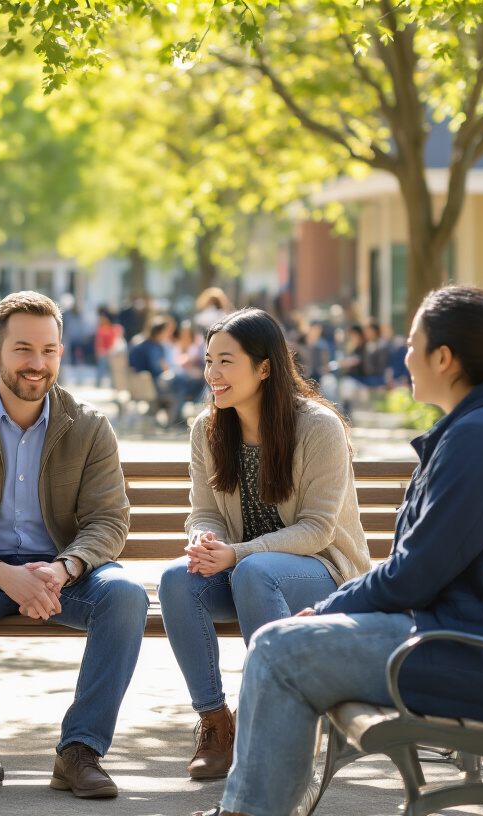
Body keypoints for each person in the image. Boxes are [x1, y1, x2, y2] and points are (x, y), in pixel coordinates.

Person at [194, 286, 483, 816]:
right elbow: (423, 568)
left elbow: (414, 575)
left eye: (412, 344)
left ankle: (248, 811)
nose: (403, 356)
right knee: (283, 645)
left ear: (444, 358)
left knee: (277, 651)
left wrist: (327, 609)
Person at [0, 291, 149, 801]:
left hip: (60, 575)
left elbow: (109, 520)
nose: (37, 364)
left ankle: (80, 751)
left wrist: (65, 568)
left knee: (126, 595)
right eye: (23, 349)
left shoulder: (89, 427)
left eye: (49, 350)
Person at [159, 309, 369, 782]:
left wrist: (239, 554)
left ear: (265, 367)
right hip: (245, 567)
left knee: (257, 571)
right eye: (209, 360)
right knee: (176, 578)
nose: (211, 373)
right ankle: (216, 724)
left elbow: (318, 529)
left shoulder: (317, 427)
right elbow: (204, 509)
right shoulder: (207, 429)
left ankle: (272, 726)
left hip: (321, 570)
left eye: (226, 361)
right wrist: (203, 538)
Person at [93, 308, 123, 388]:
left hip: (112, 353)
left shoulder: (115, 328)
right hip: (103, 354)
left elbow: (116, 341)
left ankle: (114, 387)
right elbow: (99, 343)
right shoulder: (101, 329)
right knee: (101, 371)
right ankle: (98, 386)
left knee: (113, 372)